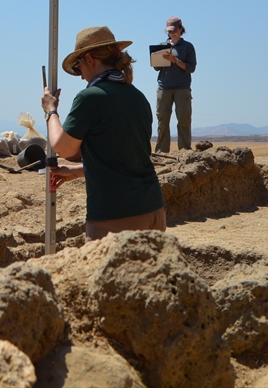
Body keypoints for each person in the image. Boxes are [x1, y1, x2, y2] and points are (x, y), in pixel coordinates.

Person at [41, 26, 166, 241]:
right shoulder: (138, 97)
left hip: (116, 217)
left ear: (89, 59)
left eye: (79, 68)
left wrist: (51, 111)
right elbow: (125, 157)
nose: (81, 77)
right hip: (153, 209)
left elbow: (63, 147)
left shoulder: (90, 98)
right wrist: (77, 171)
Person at [152, 16, 197, 152]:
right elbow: (156, 68)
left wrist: (174, 60)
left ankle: (184, 151)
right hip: (164, 87)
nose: (172, 33)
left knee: (183, 120)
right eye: (170, 31)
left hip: (182, 88)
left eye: (174, 30)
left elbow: (191, 68)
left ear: (181, 29)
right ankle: (161, 151)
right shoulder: (161, 46)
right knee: (163, 120)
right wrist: (157, 59)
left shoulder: (188, 47)